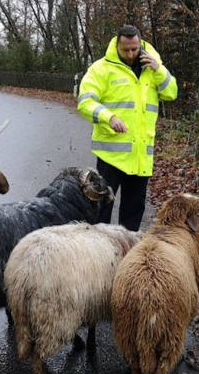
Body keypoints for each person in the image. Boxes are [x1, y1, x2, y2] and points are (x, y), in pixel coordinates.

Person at [76, 25, 178, 231]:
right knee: (101, 211)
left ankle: (126, 256)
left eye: (134, 49)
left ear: (140, 44)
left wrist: (159, 70)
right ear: (117, 45)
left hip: (141, 155)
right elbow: (85, 102)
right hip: (111, 155)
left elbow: (171, 93)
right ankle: (99, 256)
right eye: (126, 50)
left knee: (133, 214)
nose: (131, 54)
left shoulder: (153, 67)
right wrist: (109, 117)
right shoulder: (101, 69)